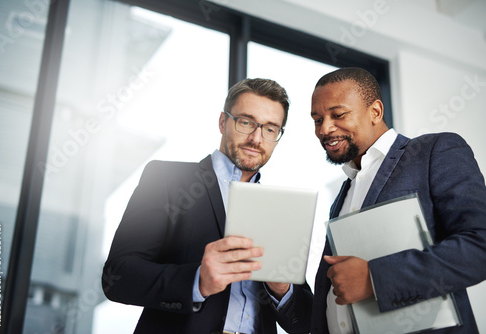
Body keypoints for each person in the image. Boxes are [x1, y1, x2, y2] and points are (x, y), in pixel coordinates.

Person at [102, 78, 313, 334]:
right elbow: (118, 276)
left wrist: (283, 290)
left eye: (270, 129)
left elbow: (304, 323)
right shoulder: (167, 179)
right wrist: (196, 281)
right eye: (246, 122)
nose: (257, 138)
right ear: (223, 122)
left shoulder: (281, 211)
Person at [309, 67, 486, 333]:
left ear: (375, 112)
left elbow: (480, 246)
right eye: (317, 119)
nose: (325, 128)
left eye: (338, 115)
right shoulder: (343, 193)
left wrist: (374, 279)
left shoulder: (434, 152)